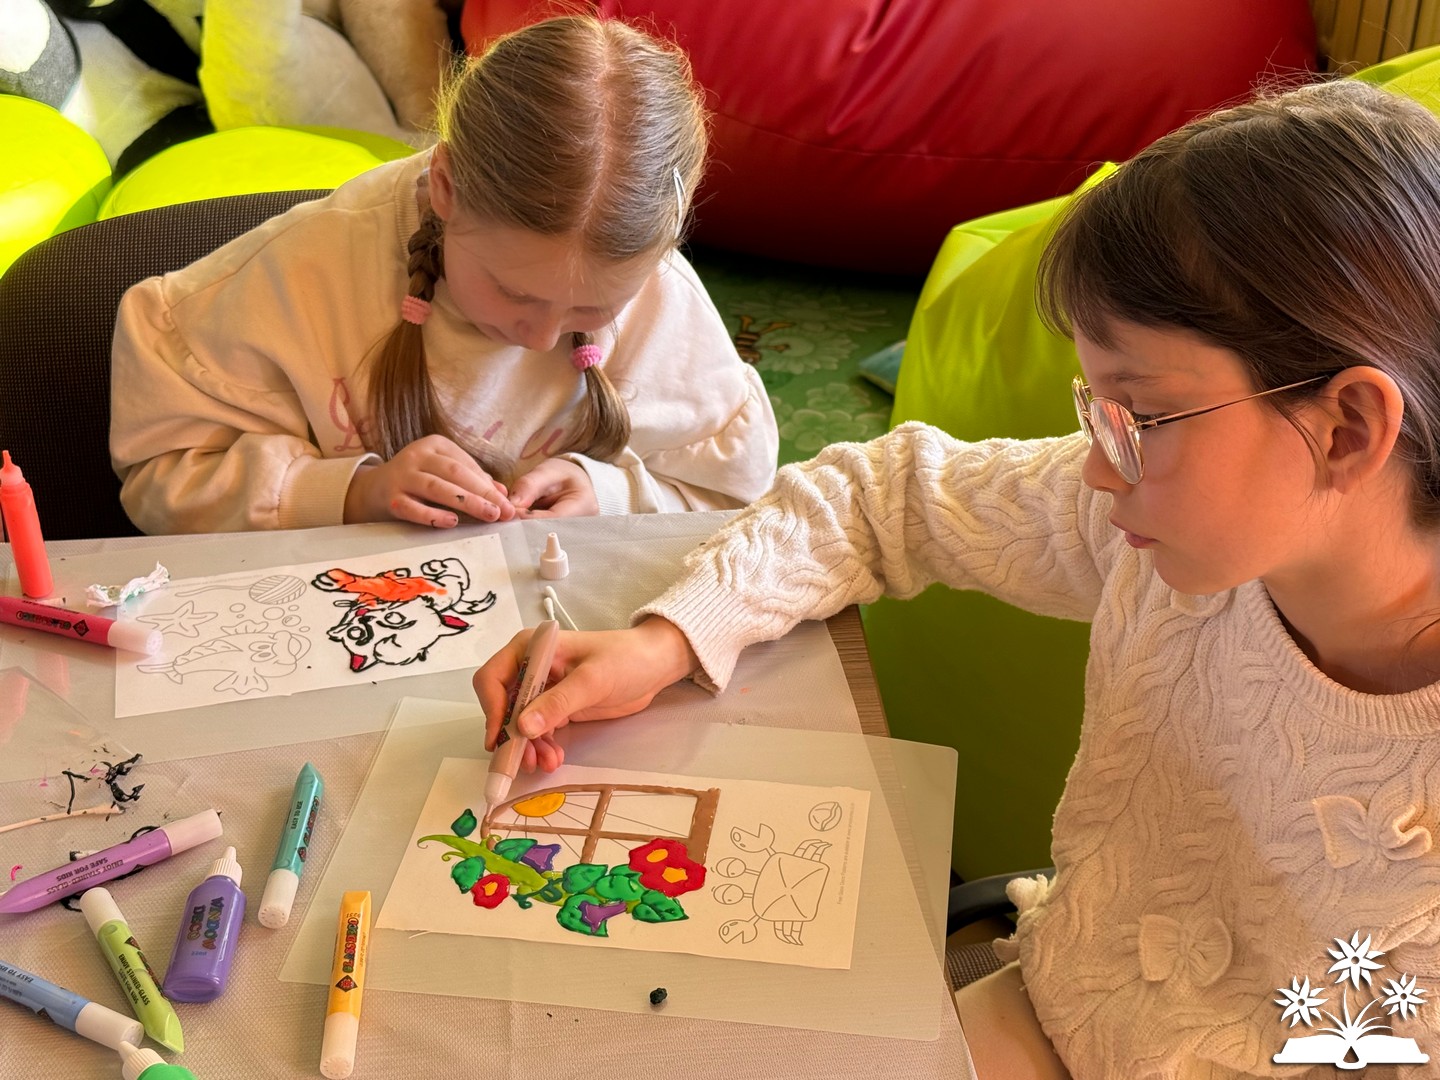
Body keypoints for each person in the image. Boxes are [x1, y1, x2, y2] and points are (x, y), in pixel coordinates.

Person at [473, 78, 1440, 1078]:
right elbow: (880, 495)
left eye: (1142, 417)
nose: (1099, 469)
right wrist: (666, 639)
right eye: (1096, 409)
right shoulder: (1149, 530)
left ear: (1347, 428)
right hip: (1053, 1011)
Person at [109, 15, 777, 534]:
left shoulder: (662, 295)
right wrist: (352, 491)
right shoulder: (299, 273)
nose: (540, 338)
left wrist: (612, 493)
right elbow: (163, 476)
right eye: (513, 292)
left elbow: (731, 495)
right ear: (445, 187)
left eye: (589, 312)